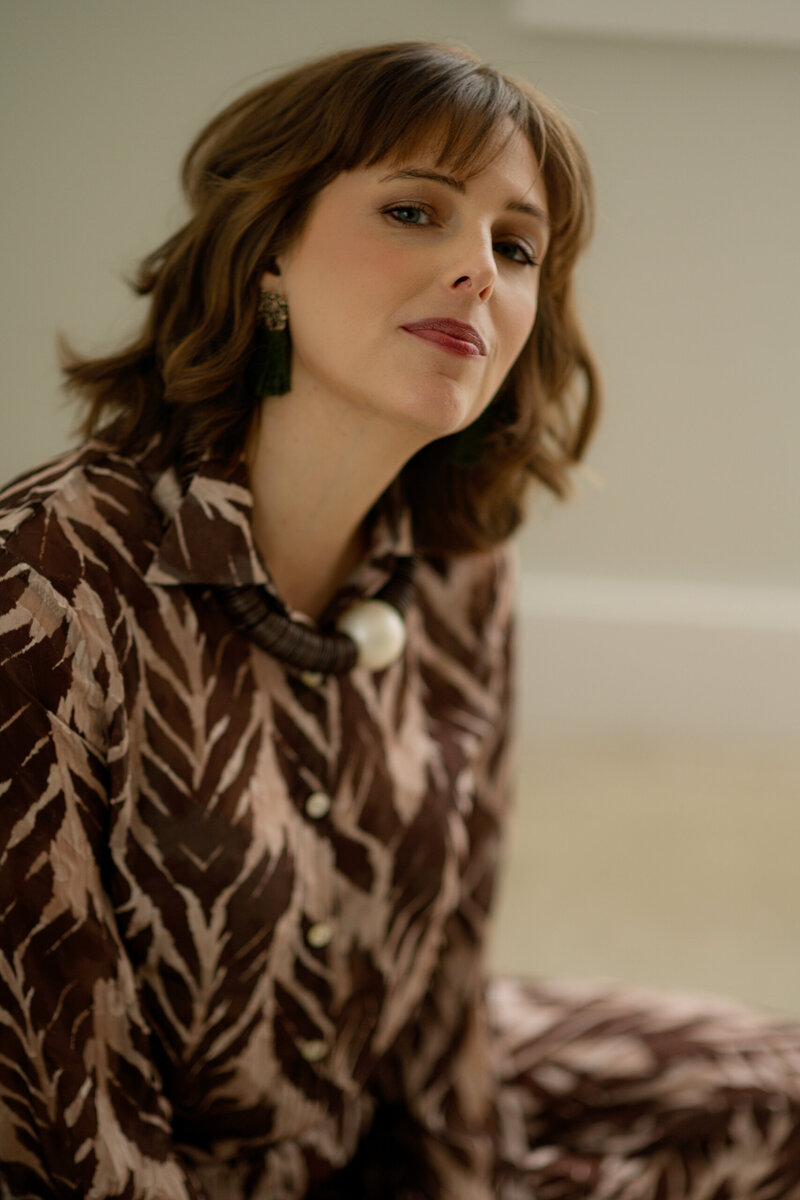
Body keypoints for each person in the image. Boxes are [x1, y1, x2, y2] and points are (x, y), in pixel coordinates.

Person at [0, 40, 798, 1200]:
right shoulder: (44, 582)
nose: (477, 269)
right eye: (415, 211)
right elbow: (57, 1108)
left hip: (359, 1123)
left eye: (514, 245)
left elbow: (440, 991)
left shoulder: (461, 569)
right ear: (265, 248)